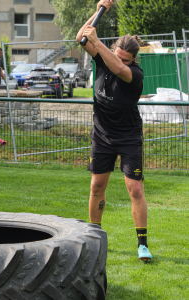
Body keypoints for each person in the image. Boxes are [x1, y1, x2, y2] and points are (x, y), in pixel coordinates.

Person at [76, 0, 152, 262]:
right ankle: (94, 235)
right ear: (112, 49)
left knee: (135, 190)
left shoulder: (134, 74)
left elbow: (118, 68)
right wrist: (100, 11)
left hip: (129, 137)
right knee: (97, 184)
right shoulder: (102, 57)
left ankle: (142, 244)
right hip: (102, 135)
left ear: (133, 60)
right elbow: (81, 37)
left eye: (126, 59)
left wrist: (98, 44)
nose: (120, 62)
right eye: (117, 54)